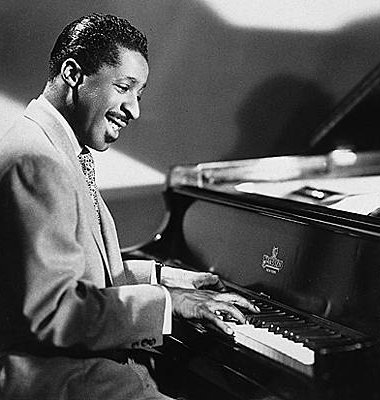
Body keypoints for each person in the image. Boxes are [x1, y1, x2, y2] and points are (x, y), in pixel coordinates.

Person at [0, 13, 258, 400]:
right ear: (73, 74)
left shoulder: (50, 146)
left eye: (139, 95)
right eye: (124, 87)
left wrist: (165, 279)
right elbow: (54, 312)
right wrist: (167, 302)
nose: (134, 110)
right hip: (52, 378)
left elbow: (73, 273)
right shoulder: (38, 162)